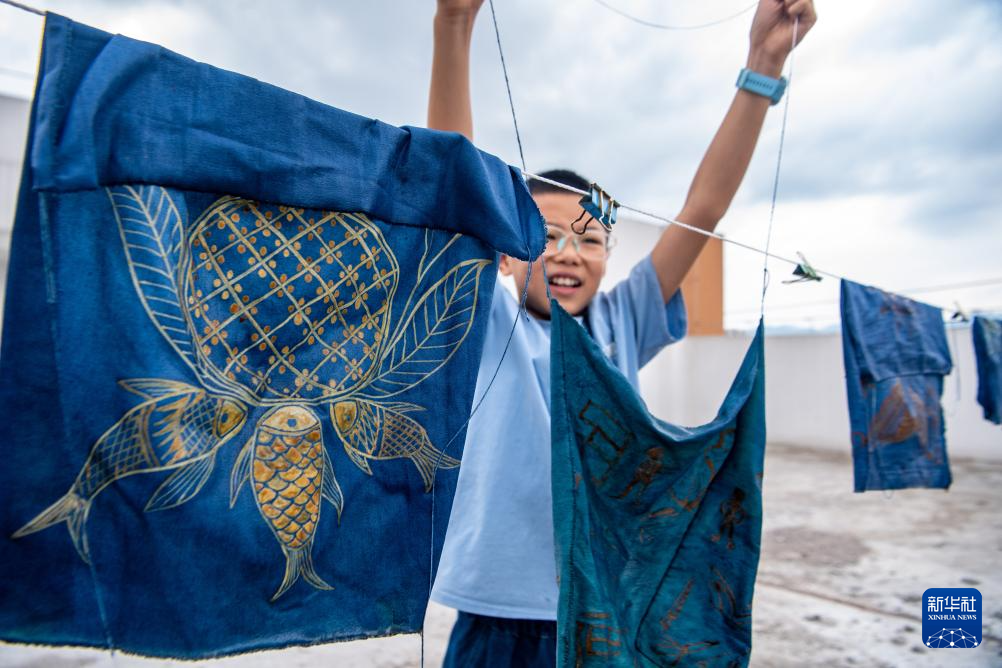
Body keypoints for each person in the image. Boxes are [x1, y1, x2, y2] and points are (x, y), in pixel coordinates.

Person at [426, 1, 817, 665]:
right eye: (546, 236)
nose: (569, 253)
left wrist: (762, 66)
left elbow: (702, 209)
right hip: (495, 618)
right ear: (505, 257)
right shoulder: (485, 319)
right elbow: (453, 187)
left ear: (609, 257)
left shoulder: (622, 319)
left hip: (607, 606)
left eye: (590, 239)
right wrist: (454, 25)